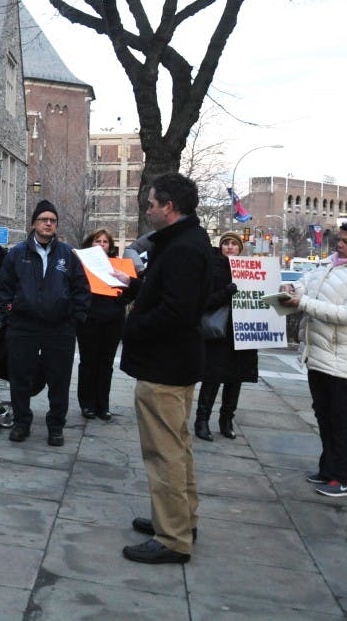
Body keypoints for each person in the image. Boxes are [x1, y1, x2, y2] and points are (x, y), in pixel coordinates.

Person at [111, 172, 213, 564]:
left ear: (169, 207)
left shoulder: (183, 248)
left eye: (151, 204)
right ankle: (181, 520)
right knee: (178, 447)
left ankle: (172, 538)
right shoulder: (184, 241)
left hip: (165, 367)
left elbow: (175, 312)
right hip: (174, 363)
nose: (147, 210)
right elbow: (169, 294)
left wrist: (130, 327)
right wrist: (135, 286)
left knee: (164, 453)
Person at [281, 217, 347, 498]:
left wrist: (303, 303)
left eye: (346, 241)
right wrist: (292, 290)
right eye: (339, 239)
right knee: (325, 415)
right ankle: (329, 470)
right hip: (319, 354)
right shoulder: (329, 264)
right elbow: (306, 284)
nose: (339, 244)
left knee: (345, 420)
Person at [0, 200, 90, 446]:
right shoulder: (17, 254)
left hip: (59, 328)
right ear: (34, 224)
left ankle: (56, 426)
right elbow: (4, 287)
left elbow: (81, 288)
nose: (48, 224)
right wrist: (9, 315)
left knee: (59, 379)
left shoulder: (68, 255)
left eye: (52, 220)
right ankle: (21, 423)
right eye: (43, 219)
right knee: (20, 377)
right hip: (23, 327)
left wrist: (75, 318)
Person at [194, 231, 258, 441]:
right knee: (212, 377)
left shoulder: (250, 269)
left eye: (234, 244)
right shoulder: (212, 268)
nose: (230, 247)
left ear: (240, 248)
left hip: (242, 331)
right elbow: (203, 301)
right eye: (226, 243)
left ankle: (227, 420)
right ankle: (202, 420)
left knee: (236, 378)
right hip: (219, 332)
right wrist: (225, 294)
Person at [76, 229, 130, 423]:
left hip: (113, 320)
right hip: (89, 320)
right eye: (97, 241)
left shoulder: (119, 266)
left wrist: (122, 296)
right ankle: (87, 403)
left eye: (105, 242)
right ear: (91, 244)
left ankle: (103, 405)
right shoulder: (81, 265)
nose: (101, 245)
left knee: (106, 363)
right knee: (88, 362)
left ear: (110, 246)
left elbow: (130, 292)